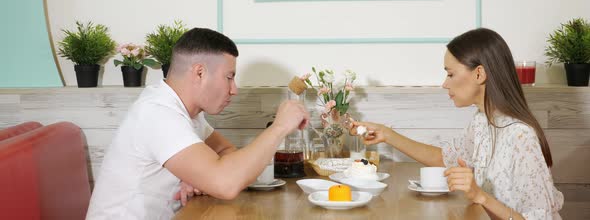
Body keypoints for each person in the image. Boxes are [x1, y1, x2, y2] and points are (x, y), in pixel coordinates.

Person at [86, 28, 309, 219]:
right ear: (200, 72)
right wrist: (279, 128)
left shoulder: (186, 112)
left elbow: (225, 151)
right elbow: (226, 184)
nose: (234, 89)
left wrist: (197, 177)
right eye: (229, 77)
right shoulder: (158, 113)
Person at [352, 28, 563, 219]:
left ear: (479, 74)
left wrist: (479, 196)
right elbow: (444, 158)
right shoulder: (482, 122)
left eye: (450, 74)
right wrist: (387, 135)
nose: (445, 83)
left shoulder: (520, 136)